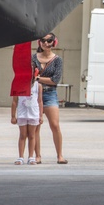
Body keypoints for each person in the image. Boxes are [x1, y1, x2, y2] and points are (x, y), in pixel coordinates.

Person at [34, 32, 67, 164]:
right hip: (35, 95)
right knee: (35, 126)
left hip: (50, 94)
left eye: (49, 40)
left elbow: (55, 80)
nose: (46, 43)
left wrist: (37, 78)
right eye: (43, 40)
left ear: (54, 42)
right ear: (39, 42)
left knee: (55, 125)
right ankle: (37, 156)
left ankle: (59, 155)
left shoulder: (57, 60)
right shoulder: (33, 58)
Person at [11, 66, 42, 165]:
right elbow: (14, 101)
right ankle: (20, 157)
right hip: (22, 113)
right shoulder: (18, 84)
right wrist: (13, 116)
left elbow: (40, 101)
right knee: (22, 135)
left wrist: (41, 115)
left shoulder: (38, 86)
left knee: (32, 135)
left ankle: (31, 157)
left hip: (34, 113)